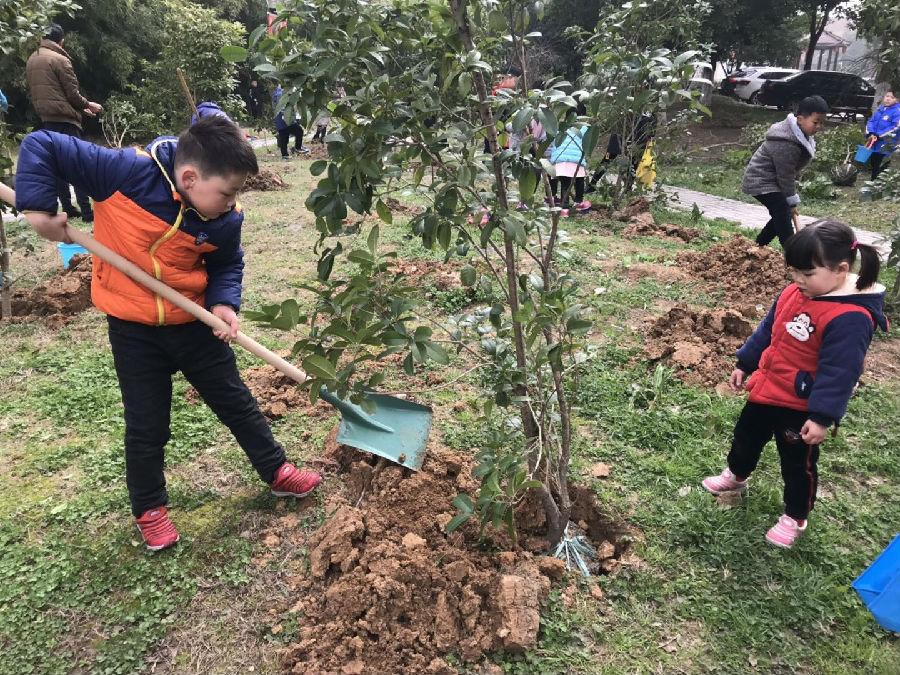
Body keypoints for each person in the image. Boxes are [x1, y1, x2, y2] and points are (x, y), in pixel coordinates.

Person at [14, 116, 322, 551]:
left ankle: (276, 470)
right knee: (146, 423)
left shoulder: (224, 219)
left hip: (194, 322)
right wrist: (38, 207)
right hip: (133, 329)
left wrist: (222, 303)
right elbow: (42, 141)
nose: (232, 203)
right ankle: (149, 509)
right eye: (227, 192)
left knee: (236, 401)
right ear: (191, 176)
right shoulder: (125, 173)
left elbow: (226, 265)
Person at [702, 220, 886, 549]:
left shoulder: (850, 318)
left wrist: (821, 417)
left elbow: (840, 371)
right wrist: (746, 362)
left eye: (807, 274)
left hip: (800, 405)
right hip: (767, 387)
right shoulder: (795, 291)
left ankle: (795, 515)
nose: (798, 280)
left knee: (797, 463)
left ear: (841, 269)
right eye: (794, 272)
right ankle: (737, 476)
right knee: (746, 436)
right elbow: (769, 328)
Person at [25, 23, 103, 223]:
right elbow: (72, 94)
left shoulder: (32, 58)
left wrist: (80, 107)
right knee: (78, 163)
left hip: (47, 118)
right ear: (61, 41)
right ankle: (87, 212)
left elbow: (52, 93)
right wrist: (89, 105)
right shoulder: (60, 60)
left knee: (58, 164)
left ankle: (68, 208)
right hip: (66, 120)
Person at [742, 95, 829, 248]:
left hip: (773, 181)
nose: (819, 127)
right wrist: (791, 200)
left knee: (781, 214)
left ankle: (758, 245)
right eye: (816, 122)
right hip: (761, 181)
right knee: (782, 210)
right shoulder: (787, 143)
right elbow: (786, 175)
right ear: (800, 119)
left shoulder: (800, 136)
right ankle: (791, 252)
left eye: (822, 123)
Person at [549, 122, 592, 216]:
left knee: (565, 184)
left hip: (560, 159)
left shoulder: (559, 127)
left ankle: (564, 209)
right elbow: (588, 143)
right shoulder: (584, 128)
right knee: (579, 181)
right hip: (577, 159)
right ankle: (578, 203)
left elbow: (553, 142)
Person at [865, 90, 900, 181]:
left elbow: (895, 127)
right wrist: (871, 132)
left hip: (886, 143)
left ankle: (877, 183)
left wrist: (880, 135)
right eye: (887, 96)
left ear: (897, 100)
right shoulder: (880, 109)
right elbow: (871, 121)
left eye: (892, 97)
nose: (888, 99)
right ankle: (874, 181)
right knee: (874, 161)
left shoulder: (897, 111)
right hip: (875, 142)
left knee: (881, 164)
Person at [272, 85, 309, 159]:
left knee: (284, 137)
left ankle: (285, 155)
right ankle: (297, 148)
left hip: (280, 120)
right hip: (286, 119)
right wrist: (287, 118)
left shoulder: (276, 92)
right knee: (299, 131)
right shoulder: (281, 94)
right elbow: (282, 107)